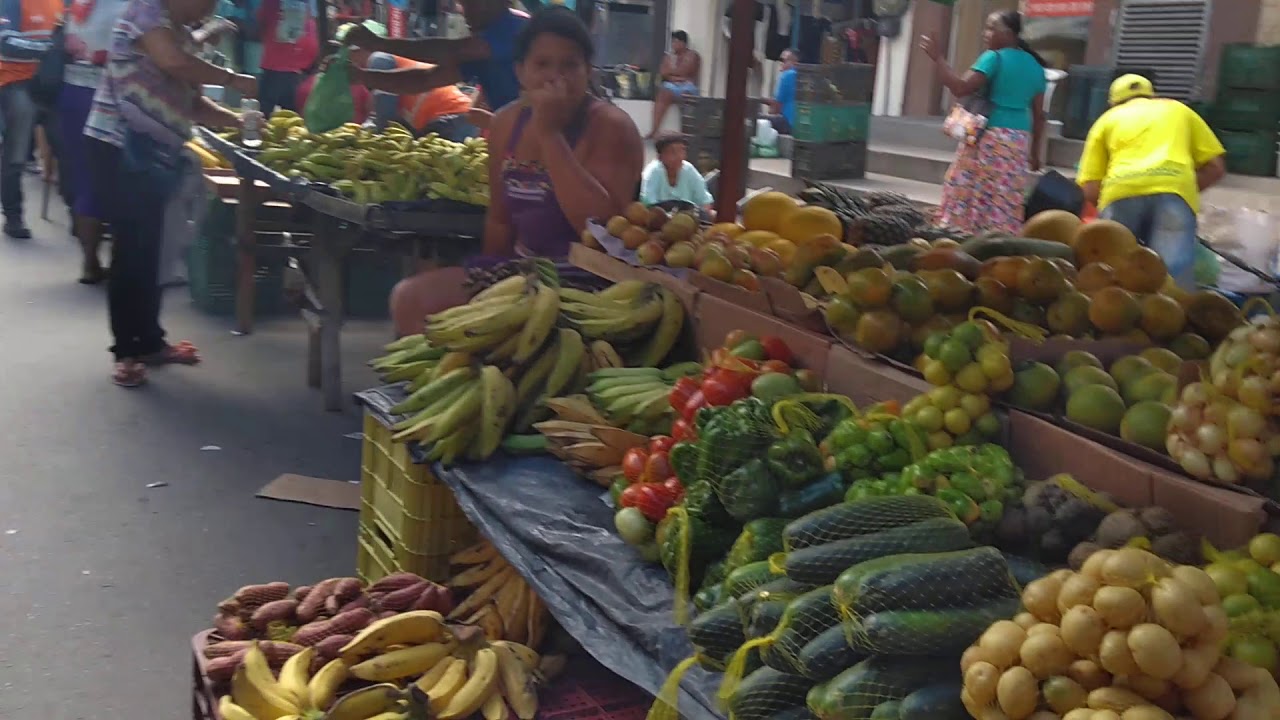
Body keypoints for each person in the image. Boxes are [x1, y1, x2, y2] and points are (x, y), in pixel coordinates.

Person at [389, 6, 642, 337]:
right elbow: (500, 220)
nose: (556, 76)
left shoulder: (612, 127)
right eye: (542, 64)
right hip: (522, 274)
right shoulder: (507, 123)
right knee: (409, 299)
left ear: (588, 71)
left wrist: (549, 135)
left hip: (590, 290)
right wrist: (488, 285)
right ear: (520, 72)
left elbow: (601, 232)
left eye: (570, 65)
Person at [84, 0, 257, 387]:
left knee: (152, 251)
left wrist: (239, 121)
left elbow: (191, 102)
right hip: (120, 146)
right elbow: (174, 63)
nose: (205, 14)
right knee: (133, 252)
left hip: (155, 154)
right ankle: (127, 352)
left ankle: (149, 341)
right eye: (204, 4)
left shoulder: (177, 33)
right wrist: (233, 79)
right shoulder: (146, 12)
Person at [1078, 74, 1226, 291]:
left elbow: (1090, 187)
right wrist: (1180, 190)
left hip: (1120, 193)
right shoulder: (1179, 110)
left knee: (1113, 276)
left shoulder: (1106, 120)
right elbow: (1215, 168)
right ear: (1151, 95)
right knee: (1171, 281)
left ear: (1113, 102)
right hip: (1174, 191)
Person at [919, 11, 1047, 235]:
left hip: (989, 137)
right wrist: (1035, 154)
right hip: (1018, 141)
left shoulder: (993, 58)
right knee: (1003, 195)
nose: (984, 33)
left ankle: (964, 235)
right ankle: (998, 240)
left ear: (1007, 33)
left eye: (990, 28)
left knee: (967, 189)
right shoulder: (1035, 66)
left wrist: (938, 58)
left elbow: (960, 87)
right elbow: (1039, 116)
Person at [341, 0, 528, 113]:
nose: (466, 14)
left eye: (472, 3)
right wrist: (362, 76)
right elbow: (424, 79)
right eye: (463, 4)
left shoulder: (516, 29)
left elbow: (452, 51)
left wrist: (379, 44)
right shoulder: (480, 49)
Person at [62, 0, 131, 283]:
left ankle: (89, 263)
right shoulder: (129, 8)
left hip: (73, 93)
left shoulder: (81, 4)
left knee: (85, 180)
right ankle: (119, 264)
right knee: (120, 181)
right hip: (109, 98)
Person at [0, 0, 65, 239]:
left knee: (68, 150)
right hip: (17, 82)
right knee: (15, 154)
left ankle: (82, 215)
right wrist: (51, 48)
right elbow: (5, 42)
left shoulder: (61, 2)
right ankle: (13, 216)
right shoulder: (11, 3)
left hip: (52, 84)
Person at [256, 0, 318, 114]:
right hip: (298, 66)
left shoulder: (271, 3)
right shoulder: (308, 3)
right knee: (291, 116)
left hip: (273, 65)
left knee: (263, 114)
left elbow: (262, 24)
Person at [647, 29, 699, 139]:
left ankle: (685, 133)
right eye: (672, 42)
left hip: (687, 86)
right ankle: (655, 130)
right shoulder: (669, 56)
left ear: (683, 43)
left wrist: (672, 73)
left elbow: (684, 71)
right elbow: (663, 73)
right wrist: (676, 77)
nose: (673, 45)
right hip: (672, 86)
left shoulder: (692, 55)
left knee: (686, 95)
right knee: (663, 93)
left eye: (675, 42)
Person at [640, 131, 711, 211]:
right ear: (660, 156)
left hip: (689, 218)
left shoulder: (689, 170)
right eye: (672, 152)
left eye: (682, 151)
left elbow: (705, 201)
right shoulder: (653, 172)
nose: (679, 156)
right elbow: (649, 204)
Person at [763, 47, 797, 135]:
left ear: (793, 62)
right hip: (794, 123)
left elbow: (776, 105)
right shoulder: (798, 76)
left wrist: (762, 101)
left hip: (786, 122)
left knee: (758, 121)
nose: (780, 63)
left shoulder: (787, 75)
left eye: (783, 60)